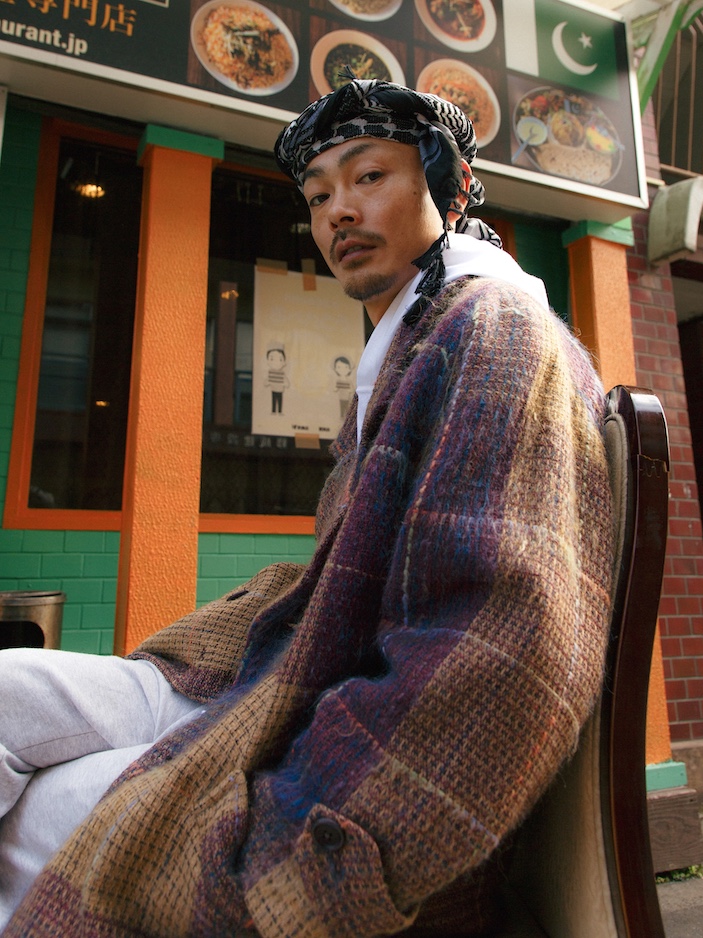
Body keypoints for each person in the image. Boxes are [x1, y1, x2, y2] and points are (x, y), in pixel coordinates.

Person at [0, 77, 613, 937]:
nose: (338, 212)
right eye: (319, 195)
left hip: (321, 740)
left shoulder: (498, 332)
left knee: (40, 818)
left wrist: (309, 836)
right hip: (278, 680)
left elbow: (497, 648)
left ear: (452, 187)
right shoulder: (417, 333)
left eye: (370, 176)